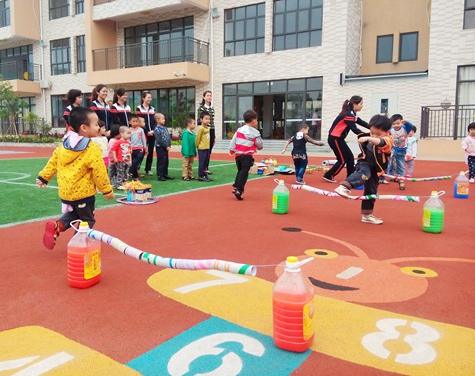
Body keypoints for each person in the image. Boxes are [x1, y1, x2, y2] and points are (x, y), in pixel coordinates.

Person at [36, 107, 114, 250]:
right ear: (84, 128)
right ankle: (78, 243)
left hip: (67, 192)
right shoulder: (91, 148)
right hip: (83, 193)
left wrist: (44, 177)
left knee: (75, 213)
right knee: (87, 219)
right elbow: (99, 171)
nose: (98, 127)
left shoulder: (63, 146)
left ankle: (57, 226)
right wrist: (107, 190)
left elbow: (53, 162)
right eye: (96, 124)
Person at [334, 115, 394, 225]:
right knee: (364, 174)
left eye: (378, 134)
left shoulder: (389, 140)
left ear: (387, 132)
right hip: (365, 163)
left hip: (376, 169)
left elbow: (382, 142)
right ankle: (344, 186)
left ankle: (367, 215)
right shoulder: (368, 137)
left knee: (371, 191)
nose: (374, 135)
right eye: (372, 133)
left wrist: (369, 138)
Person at [323, 96, 369, 183]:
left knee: (350, 157)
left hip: (339, 139)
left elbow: (363, 123)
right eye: (361, 104)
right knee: (342, 159)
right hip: (335, 138)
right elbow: (354, 129)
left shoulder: (353, 114)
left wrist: (374, 128)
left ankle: (350, 177)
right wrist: (368, 136)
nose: (362, 106)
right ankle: (329, 175)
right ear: (355, 104)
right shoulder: (349, 115)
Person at [229, 109, 264, 200]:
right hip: (247, 156)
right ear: (253, 121)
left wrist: (232, 149)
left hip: (238, 155)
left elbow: (233, 140)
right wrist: (259, 147)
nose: (256, 122)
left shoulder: (239, 130)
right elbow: (259, 144)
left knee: (240, 171)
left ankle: (236, 185)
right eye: (256, 120)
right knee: (244, 172)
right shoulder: (255, 133)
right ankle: (239, 189)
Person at [387, 114, 414, 190]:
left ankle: (401, 177)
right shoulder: (391, 130)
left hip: (402, 150)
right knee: (390, 162)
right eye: (394, 124)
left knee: (401, 164)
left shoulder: (405, 129)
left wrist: (407, 122)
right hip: (393, 148)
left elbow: (410, 126)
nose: (396, 125)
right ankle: (392, 175)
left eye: (398, 123)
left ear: (401, 123)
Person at [136, 91, 156, 176]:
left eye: (151, 98)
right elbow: (139, 122)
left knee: (150, 151)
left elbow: (155, 121)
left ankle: (148, 169)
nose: (150, 99)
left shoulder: (153, 109)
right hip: (143, 133)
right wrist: (147, 131)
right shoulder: (139, 109)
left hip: (152, 134)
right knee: (142, 151)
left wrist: (153, 131)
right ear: (143, 98)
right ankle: (137, 168)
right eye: (148, 97)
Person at [197, 91, 215, 175]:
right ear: (204, 97)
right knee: (204, 150)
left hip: (211, 129)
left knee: (209, 150)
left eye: (210, 95)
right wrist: (203, 128)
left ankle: (206, 167)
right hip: (204, 130)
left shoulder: (212, 108)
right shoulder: (201, 108)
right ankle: (202, 168)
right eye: (207, 95)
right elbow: (199, 121)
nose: (209, 97)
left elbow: (212, 121)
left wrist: (213, 134)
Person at [153, 113, 174, 181]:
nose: (164, 120)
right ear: (157, 120)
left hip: (166, 147)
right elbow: (159, 140)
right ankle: (160, 175)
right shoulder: (156, 129)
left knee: (166, 161)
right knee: (161, 161)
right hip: (160, 147)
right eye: (163, 119)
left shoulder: (165, 128)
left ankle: (165, 174)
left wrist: (169, 144)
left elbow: (167, 137)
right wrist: (165, 146)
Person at [128, 114, 148, 180]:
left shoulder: (141, 130)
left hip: (140, 148)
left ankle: (130, 170)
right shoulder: (129, 130)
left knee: (138, 159)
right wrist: (129, 148)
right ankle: (135, 176)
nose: (135, 123)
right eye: (133, 121)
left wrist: (145, 147)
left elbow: (143, 139)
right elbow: (128, 140)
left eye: (137, 121)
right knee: (134, 162)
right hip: (132, 148)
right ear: (129, 122)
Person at [196, 111, 212, 182]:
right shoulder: (201, 128)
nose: (208, 120)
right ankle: (201, 175)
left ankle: (205, 174)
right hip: (202, 148)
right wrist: (197, 146)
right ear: (201, 119)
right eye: (206, 119)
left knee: (206, 162)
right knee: (202, 162)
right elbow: (197, 138)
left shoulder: (208, 128)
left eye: (209, 119)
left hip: (207, 148)